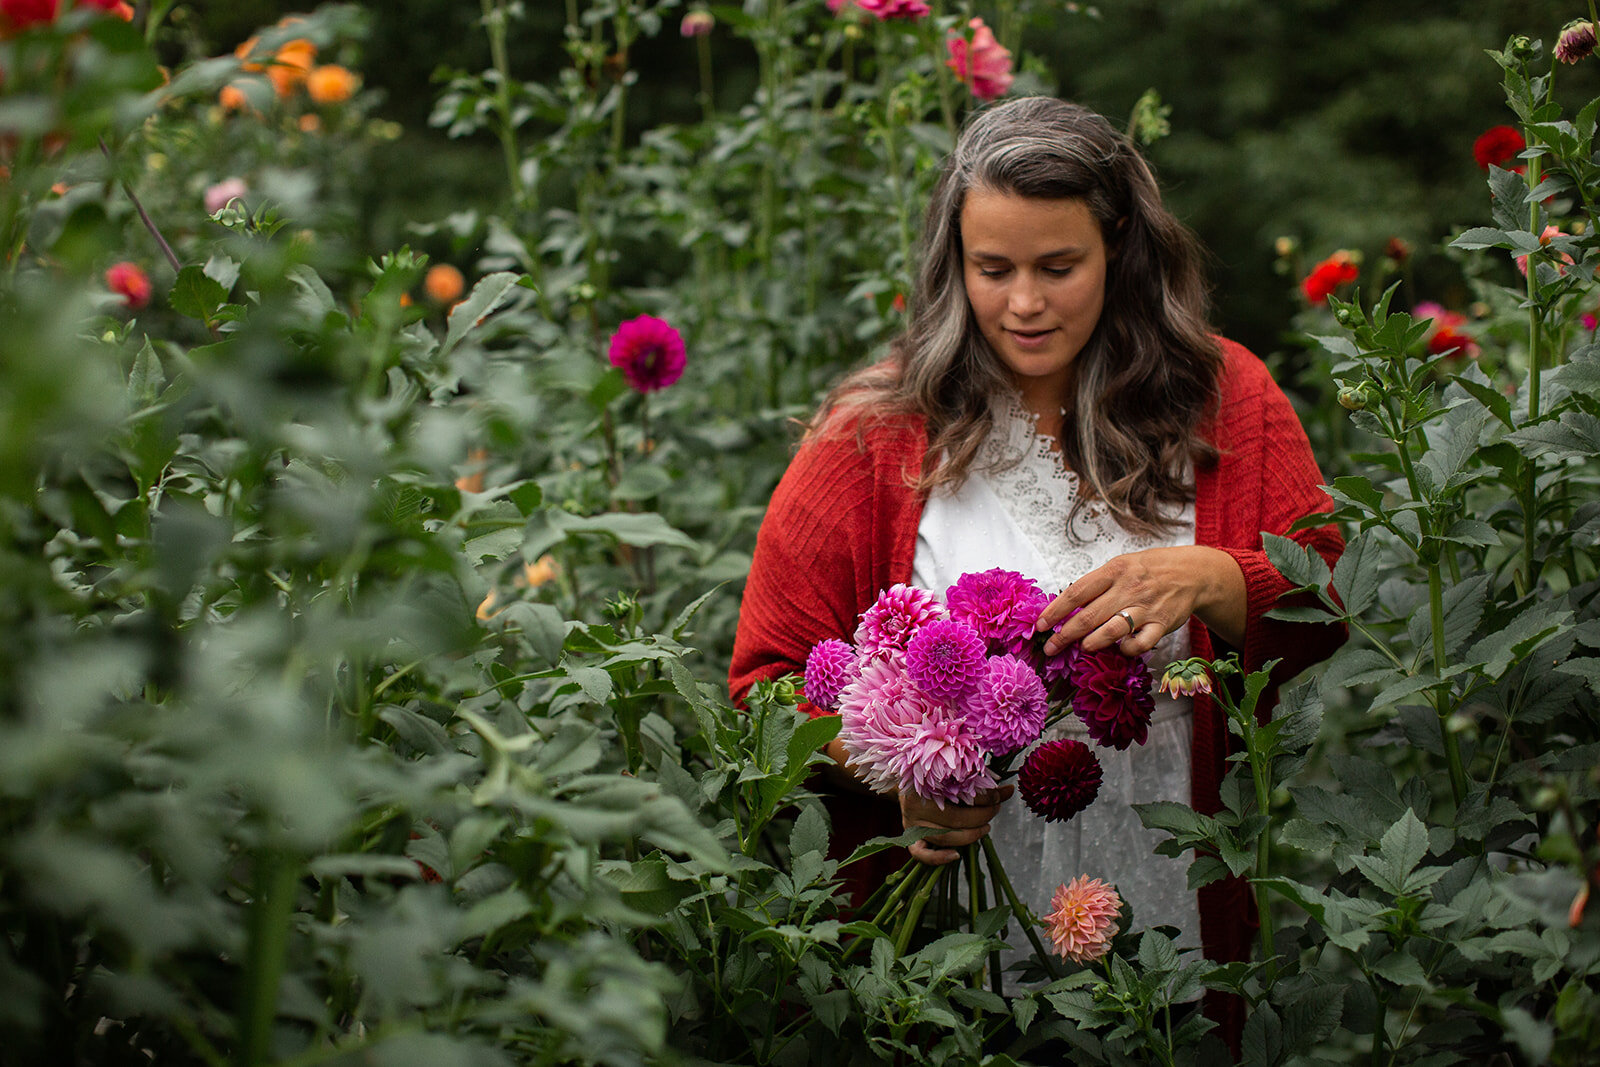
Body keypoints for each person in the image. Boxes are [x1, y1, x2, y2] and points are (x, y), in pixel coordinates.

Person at [728, 97, 1343, 1000]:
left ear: (1121, 245)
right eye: (993, 268)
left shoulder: (1225, 399)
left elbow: (1325, 596)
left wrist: (1215, 577)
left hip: (1174, 891)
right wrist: (896, 774)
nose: (1023, 303)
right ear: (953, 262)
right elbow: (767, 688)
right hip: (951, 924)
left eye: (1059, 266)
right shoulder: (875, 437)